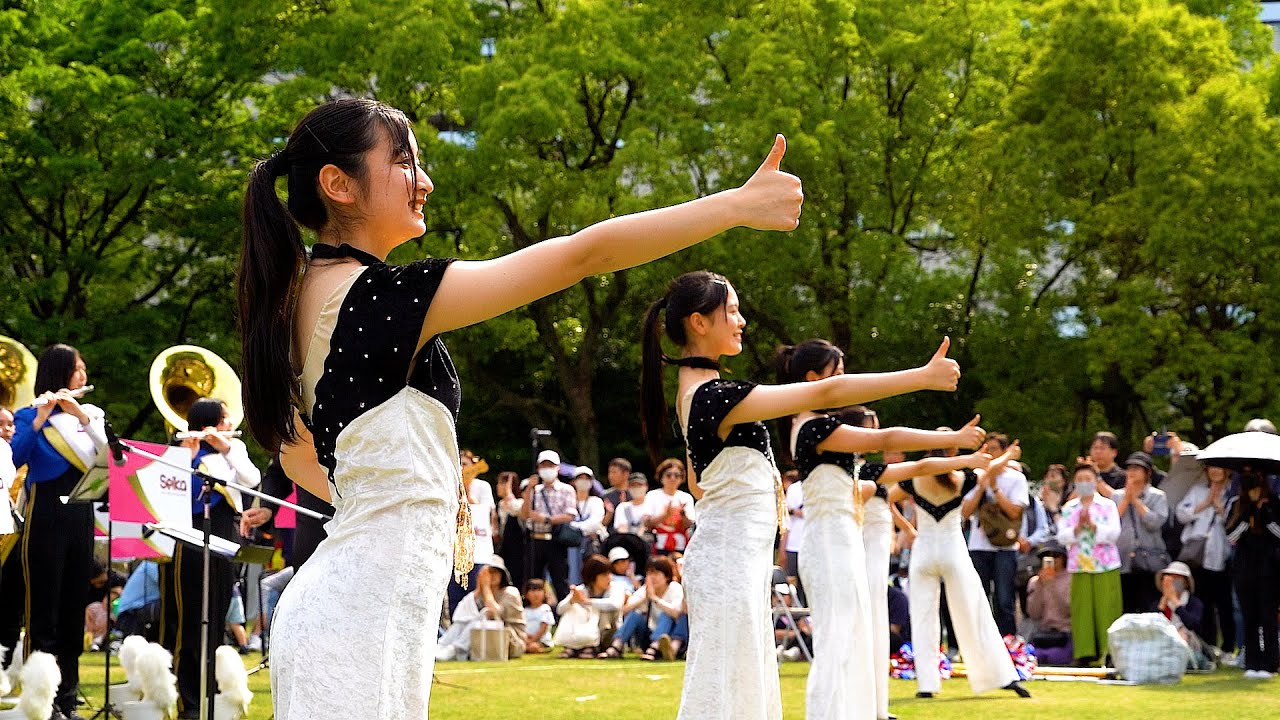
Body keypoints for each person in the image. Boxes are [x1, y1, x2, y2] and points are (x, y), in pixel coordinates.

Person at [246, 98, 803, 719]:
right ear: (338, 184)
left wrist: (393, 503)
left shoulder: (300, 301)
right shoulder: (378, 296)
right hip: (358, 619)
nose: (424, 181)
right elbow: (583, 254)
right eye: (403, 162)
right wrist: (735, 205)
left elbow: (297, 457)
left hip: (348, 609)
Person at [639, 271, 965, 720]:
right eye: (731, 311)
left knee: (738, 687)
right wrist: (920, 376)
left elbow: (700, 484)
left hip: (731, 559)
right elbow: (829, 391)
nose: (741, 321)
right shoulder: (714, 396)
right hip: (729, 560)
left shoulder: (699, 395)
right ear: (698, 322)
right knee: (727, 689)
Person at [775, 338, 987, 720]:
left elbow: (913, 465)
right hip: (829, 545)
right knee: (836, 646)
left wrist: (961, 453)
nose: (844, 383)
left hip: (840, 542)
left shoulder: (816, 430)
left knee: (849, 642)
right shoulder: (813, 428)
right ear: (813, 378)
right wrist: (951, 438)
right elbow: (886, 439)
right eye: (838, 374)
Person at [887, 442, 1031, 700]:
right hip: (953, 549)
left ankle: (926, 684)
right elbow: (991, 468)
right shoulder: (961, 478)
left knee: (922, 617)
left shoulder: (915, 478)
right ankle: (1001, 676)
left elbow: (886, 498)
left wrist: (907, 527)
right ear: (951, 455)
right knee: (975, 611)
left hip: (923, 551)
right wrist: (1009, 454)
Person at [10, 344, 107, 720]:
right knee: (43, 613)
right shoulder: (28, 414)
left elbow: (113, 457)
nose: (83, 375)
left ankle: (67, 699)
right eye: (77, 368)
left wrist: (80, 415)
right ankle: (41, 701)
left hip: (81, 514)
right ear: (59, 372)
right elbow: (14, 458)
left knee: (71, 613)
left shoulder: (90, 415)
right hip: (45, 515)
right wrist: (40, 418)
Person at [159, 397, 261, 718]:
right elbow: (176, 497)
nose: (230, 425)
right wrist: (188, 457)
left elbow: (252, 479)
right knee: (191, 620)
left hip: (225, 539)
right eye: (225, 419)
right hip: (189, 539)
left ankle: (209, 694)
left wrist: (226, 448)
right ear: (208, 423)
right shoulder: (182, 453)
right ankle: (188, 700)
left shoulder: (233, 451)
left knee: (217, 617)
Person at [959, 432, 1028, 638]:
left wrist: (995, 487)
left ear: (1004, 452)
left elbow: (1014, 512)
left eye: (994, 449)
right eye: (986, 449)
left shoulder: (1016, 478)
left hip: (1005, 546)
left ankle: (1008, 641)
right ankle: (978, 640)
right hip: (978, 545)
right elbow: (965, 512)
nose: (989, 454)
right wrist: (982, 484)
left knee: (1004, 598)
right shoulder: (975, 477)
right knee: (978, 595)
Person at [1056, 462, 1123, 667]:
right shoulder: (1069, 508)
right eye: (1080, 480)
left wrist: (1093, 526)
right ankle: (1084, 652)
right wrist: (1077, 528)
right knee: (1081, 608)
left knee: (1107, 607)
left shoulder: (1107, 505)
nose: (1084, 483)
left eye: (1088, 479)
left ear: (1096, 481)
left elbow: (1114, 533)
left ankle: (1108, 653)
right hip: (1079, 563)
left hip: (1105, 563)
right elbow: (1062, 536)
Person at [1224, 464, 1280, 678]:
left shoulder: (1274, 503)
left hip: (1269, 569)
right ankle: (1252, 663)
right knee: (1250, 617)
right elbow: (1231, 536)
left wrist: (1265, 513)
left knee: (1268, 616)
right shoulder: (1236, 504)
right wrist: (1248, 512)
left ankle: (1270, 664)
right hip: (1244, 569)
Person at [1175, 464, 1233, 655]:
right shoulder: (1197, 490)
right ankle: (1207, 644)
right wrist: (1205, 503)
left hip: (1221, 554)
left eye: (1219, 467)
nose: (1215, 471)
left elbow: (1233, 522)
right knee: (1202, 601)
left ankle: (1228, 646)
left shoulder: (1232, 492)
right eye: (1211, 467)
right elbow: (1181, 514)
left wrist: (1219, 507)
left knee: (1224, 603)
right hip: (1198, 556)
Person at [435, 558, 525, 661]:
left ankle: (456, 650)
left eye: (495, 572)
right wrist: (479, 588)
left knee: (485, 614)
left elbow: (494, 614)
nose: (491, 576)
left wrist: (486, 588)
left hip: (511, 640)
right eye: (488, 573)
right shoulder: (480, 594)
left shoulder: (511, 592)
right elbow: (462, 614)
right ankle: (440, 646)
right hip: (488, 638)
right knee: (462, 622)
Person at [1113, 452, 1170, 614]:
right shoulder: (1116, 496)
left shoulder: (1158, 496)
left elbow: (1155, 523)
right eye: (1129, 468)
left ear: (1148, 472)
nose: (1132, 472)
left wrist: (1136, 501)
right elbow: (1112, 522)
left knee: (1149, 606)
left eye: (1137, 468)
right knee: (1125, 608)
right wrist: (1126, 500)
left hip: (1149, 560)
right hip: (1123, 559)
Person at [601, 556, 686, 660]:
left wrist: (655, 599)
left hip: (667, 634)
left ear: (666, 576)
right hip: (647, 634)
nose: (652, 577)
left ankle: (655, 647)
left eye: (656, 574)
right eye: (649, 573)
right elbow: (624, 611)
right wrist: (644, 599)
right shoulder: (645, 590)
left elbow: (677, 613)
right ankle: (617, 645)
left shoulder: (674, 588)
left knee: (666, 615)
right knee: (635, 615)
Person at [521, 450, 577, 600]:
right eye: (543, 465)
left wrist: (546, 519)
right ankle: (533, 608)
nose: (547, 469)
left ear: (558, 468)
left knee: (560, 580)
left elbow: (570, 515)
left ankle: (562, 609)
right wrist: (529, 489)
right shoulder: (535, 490)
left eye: (550, 465)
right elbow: (525, 514)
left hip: (556, 540)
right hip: (535, 539)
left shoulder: (566, 490)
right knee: (533, 580)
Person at [554, 553, 625, 658]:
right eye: (604, 575)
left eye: (609, 574)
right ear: (593, 577)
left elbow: (615, 604)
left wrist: (587, 602)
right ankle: (573, 646)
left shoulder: (616, 588)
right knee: (572, 608)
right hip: (583, 634)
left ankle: (591, 647)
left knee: (603, 610)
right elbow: (560, 609)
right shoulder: (581, 590)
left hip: (607, 634)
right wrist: (572, 601)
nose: (609, 578)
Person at [1025, 542, 1073, 666]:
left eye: (1055, 556)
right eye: (1046, 556)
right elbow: (1034, 614)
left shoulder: (1071, 579)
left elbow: (1068, 610)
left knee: (1055, 657)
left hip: (1064, 633)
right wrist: (1039, 586)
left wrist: (1051, 586)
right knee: (1028, 657)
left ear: (1063, 558)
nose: (1052, 559)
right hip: (1042, 634)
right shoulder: (1035, 582)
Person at [644, 458, 696, 556]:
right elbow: (647, 522)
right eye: (668, 475)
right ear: (661, 477)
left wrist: (682, 514)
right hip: (658, 544)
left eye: (677, 475)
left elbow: (689, 525)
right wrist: (665, 515)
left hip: (681, 544)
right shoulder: (652, 495)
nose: (673, 478)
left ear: (681, 478)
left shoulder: (686, 497)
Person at [567, 466, 606, 584]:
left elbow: (595, 523)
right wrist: (583, 529)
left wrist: (574, 529)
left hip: (590, 544)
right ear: (574, 481)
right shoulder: (568, 500)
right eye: (580, 478)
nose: (583, 481)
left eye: (587, 478)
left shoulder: (596, 501)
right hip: (570, 545)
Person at [521, 578, 554, 654]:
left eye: (539, 590)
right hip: (526, 639)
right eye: (532, 591)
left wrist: (533, 640)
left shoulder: (545, 609)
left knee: (533, 647)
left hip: (542, 640)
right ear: (526, 594)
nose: (536, 594)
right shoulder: (524, 610)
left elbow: (543, 627)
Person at [601, 457, 632, 529]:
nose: (610, 476)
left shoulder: (634, 494)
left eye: (614, 472)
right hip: (611, 533)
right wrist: (609, 513)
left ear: (626, 474)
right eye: (609, 472)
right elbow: (602, 523)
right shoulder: (606, 496)